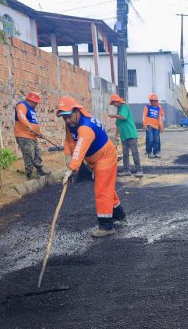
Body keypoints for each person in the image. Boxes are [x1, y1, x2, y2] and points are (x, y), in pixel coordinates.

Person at [56, 96, 125, 238]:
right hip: (94, 159)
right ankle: (119, 214)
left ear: (77, 111)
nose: (67, 121)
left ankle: (106, 226)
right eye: (64, 118)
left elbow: (80, 147)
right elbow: (69, 141)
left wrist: (72, 168)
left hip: (105, 158)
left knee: (102, 189)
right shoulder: (71, 123)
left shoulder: (86, 127)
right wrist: (68, 162)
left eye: (69, 116)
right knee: (106, 187)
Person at [13, 91, 48, 179]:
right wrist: (28, 125)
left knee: (37, 153)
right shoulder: (22, 105)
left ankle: (40, 171)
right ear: (32, 100)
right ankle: (29, 174)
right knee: (29, 154)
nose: (37, 104)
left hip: (33, 136)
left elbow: (33, 123)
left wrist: (39, 133)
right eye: (36, 102)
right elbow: (21, 116)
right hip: (24, 135)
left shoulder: (32, 109)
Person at [107, 93, 142, 178]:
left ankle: (139, 170)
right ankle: (126, 170)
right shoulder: (119, 110)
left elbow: (123, 117)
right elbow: (118, 125)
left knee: (135, 153)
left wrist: (113, 116)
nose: (114, 105)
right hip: (124, 136)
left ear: (117, 101)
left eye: (114, 103)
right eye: (113, 103)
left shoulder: (124, 107)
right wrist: (116, 135)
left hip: (131, 134)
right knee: (125, 154)